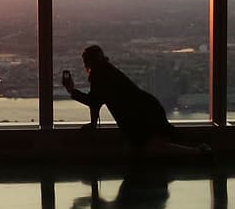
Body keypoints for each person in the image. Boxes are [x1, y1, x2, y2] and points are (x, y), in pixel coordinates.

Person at [61, 45, 209, 157]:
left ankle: (197, 153)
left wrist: (71, 90)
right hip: (146, 107)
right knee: (159, 140)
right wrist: (93, 124)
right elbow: (98, 100)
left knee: (152, 145)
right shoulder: (108, 70)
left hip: (137, 114)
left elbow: (94, 101)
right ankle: (199, 151)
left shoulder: (98, 74)